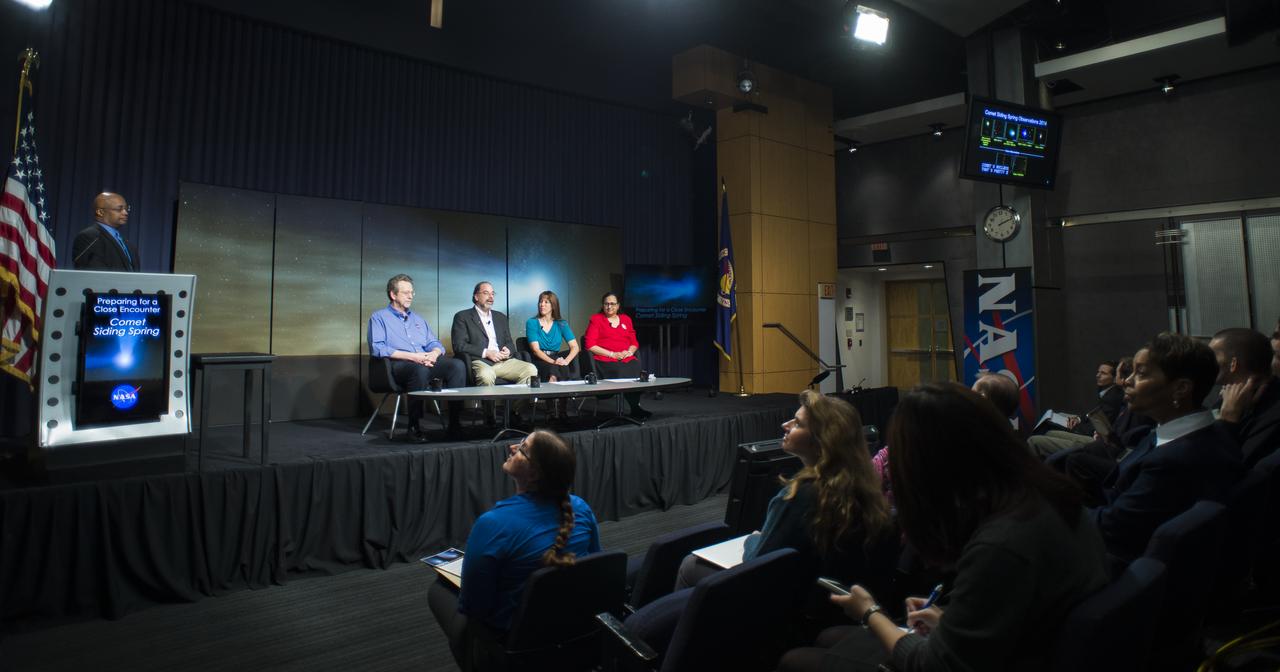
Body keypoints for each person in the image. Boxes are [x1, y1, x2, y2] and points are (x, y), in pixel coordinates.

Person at [779, 382, 1109, 672]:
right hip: (1026, 649)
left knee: (795, 660)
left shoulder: (1002, 544)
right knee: (828, 636)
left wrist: (870, 612)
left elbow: (934, 664)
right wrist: (950, 620)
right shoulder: (1045, 499)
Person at [675, 390, 894, 591]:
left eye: (797, 423)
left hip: (790, 598)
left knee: (690, 566)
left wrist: (753, 539)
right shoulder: (863, 488)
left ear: (821, 441)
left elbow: (759, 561)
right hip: (828, 598)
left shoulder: (802, 495)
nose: (785, 425)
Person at [426, 430, 601, 667]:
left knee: (438, 590)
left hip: (517, 643)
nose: (511, 448)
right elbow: (593, 564)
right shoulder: (581, 507)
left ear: (534, 474)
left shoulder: (492, 525)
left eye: (522, 449)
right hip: (571, 627)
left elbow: (475, 607)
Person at [1090, 332, 1243, 567]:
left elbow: (1114, 528)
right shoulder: (1179, 431)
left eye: (1140, 373)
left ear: (1181, 388)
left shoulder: (1175, 460)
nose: (1127, 381)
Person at [367, 274, 465, 441]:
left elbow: (435, 343)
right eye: (406, 292)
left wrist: (433, 354)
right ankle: (414, 426)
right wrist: (414, 357)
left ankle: (455, 423)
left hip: (424, 361)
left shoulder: (418, 319)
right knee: (418, 370)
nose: (411, 296)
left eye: (412, 292)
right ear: (393, 294)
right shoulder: (379, 317)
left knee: (457, 366)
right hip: (397, 366)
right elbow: (377, 347)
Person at [1211, 327, 1280, 468]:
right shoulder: (1226, 397)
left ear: (1233, 364)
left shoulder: (1273, 411)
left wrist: (1228, 422)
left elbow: (1234, 468)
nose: (1205, 362)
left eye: (1211, 357)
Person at [1027, 360, 1123, 458]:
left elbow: (1098, 427)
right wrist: (1078, 419)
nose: (1098, 375)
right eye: (1098, 372)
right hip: (1090, 428)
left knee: (1049, 431)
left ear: (1114, 378)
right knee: (1058, 415)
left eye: (1103, 373)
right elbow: (1094, 413)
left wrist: (1075, 427)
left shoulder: (1112, 397)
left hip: (1093, 436)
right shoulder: (1107, 392)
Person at [451, 281, 538, 387]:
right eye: (486, 293)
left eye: (492, 294)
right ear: (476, 296)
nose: (490, 297)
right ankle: (487, 404)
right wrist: (486, 353)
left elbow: (509, 342)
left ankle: (515, 404)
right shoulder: (463, 317)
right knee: (486, 375)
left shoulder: (500, 317)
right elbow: (459, 346)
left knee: (530, 369)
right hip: (480, 361)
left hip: (503, 362)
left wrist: (508, 350)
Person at [583, 292, 649, 419]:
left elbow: (634, 342)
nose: (609, 307)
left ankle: (635, 407)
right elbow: (590, 345)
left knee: (635, 365)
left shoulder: (626, 319)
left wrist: (629, 352)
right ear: (603, 306)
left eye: (612, 304)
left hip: (625, 357)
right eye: (606, 304)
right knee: (620, 369)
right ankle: (627, 408)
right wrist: (612, 354)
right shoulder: (596, 319)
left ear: (618, 306)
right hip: (604, 359)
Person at [72, 192, 139, 271]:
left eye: (126, 208)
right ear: (100, 212)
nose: (125, 213)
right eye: (119, 209)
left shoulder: (129, 245)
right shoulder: (89, 238)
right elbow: (94, 275)